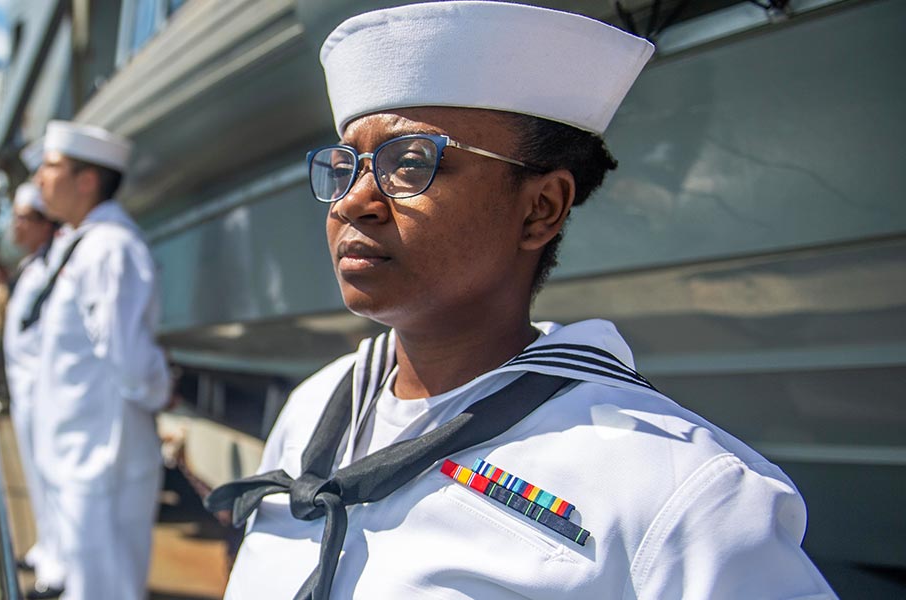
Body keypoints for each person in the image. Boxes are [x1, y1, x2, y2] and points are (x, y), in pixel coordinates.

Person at [208, 2, 837, 599]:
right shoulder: (317, 405)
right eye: (346, 166)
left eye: (411, 163)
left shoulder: (675, 486)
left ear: (540, 209)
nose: (352, 201)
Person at [28, 121, 172, 600]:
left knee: (105, 589)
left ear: (86, 180)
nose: (39, 180)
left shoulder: (111, 249)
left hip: (101, 458)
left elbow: (131, 363)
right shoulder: (83, 242)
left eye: (50, 167)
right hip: (79, 452)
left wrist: (156, 391)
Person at [1, 182, 66, 595]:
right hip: (24, 394)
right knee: (35, 476)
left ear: (44, 224)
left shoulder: (53, 268)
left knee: (54, 480)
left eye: (23, 218)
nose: (15, 226)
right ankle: (45, 548)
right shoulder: (31, 267)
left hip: (44, 395)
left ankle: (57, 569)